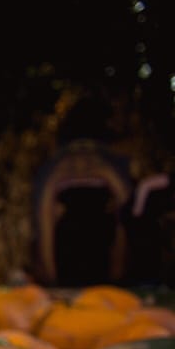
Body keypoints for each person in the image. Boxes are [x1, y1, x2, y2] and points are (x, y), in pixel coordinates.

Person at [32, 95, 133, 286]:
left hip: (96, 249)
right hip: (76, 251)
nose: (81, 165)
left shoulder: (56, 168)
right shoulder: (109, 165)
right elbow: (44, 218)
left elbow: (126, 215)